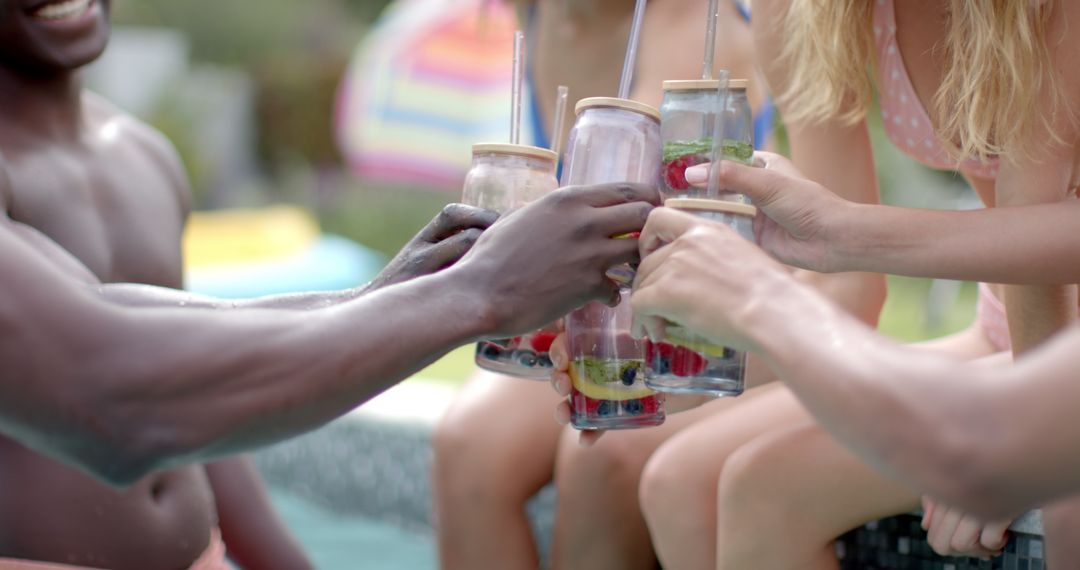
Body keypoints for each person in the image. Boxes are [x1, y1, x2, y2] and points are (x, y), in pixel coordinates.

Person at [0, 0, 660, 569]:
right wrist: (482, 290)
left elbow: (185, 377)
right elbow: (111, 392)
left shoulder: (141, 154)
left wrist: (382, 296)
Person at [557, 0, 1080, 566]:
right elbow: (846, 292)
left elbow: (1039, 251)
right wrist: (672, 363)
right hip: (1003, 326)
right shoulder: (804, 11)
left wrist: (1026, 445)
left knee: (763, 493)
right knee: (678, 485)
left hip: (1052, 349)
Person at [430, 1, 782, 569]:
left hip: (711, 321)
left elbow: (618, 203)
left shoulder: (685, 20)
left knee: (599, 455)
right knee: (467, 445)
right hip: (603, 294)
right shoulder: (542, 13)